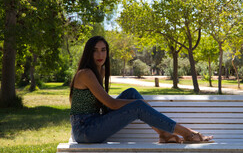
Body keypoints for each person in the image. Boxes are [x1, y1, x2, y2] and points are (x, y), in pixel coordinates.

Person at [69, 36, 213, 144]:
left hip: (95, 122)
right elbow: (111, 104)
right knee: (137, 105)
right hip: (85, 130)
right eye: (95, 51)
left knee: (131, 92)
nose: (100, 55)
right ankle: (187, 133)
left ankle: (163, 134)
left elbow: (105, 105)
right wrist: (138, 105)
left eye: (103, 50)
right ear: (89, 53)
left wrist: (136, 102)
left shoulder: (100, 71)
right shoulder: (86, 74)